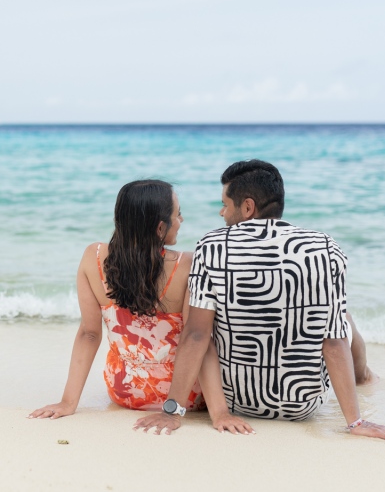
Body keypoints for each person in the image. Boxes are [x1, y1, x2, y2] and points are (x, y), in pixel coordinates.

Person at [134, 160, 385, 441]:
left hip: (237, 403)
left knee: (210, 315)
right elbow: (334, 341)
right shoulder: (325, 248)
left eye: (225, 204)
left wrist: (171, 411)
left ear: (247, 207)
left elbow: (196, 335)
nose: (221, 212)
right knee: (342, 319)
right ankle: (364, 377)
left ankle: (365, 376)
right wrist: (356, 422)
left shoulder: (212, 246)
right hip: (303, 406)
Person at [29, 179, 252, 434]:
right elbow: (198, 339)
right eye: (177, 214)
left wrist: (68, 402)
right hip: (184, 399)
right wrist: (220, 413)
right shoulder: (187, 265)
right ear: (160, 227)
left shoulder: (94, 257)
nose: (181, 219)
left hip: (124, 391)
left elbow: (89, 334)